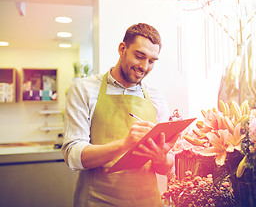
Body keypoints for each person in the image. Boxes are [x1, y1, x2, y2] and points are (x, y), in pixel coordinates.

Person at [62, 23, 177, 207]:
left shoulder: (156, 98)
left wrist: (160, 158)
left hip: (147, 202)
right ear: (122, 49)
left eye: (152, 61)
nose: (144, 67)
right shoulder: (84, 89)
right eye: (139, 56)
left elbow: (165, 166)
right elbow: (73, 156)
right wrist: (125, 144)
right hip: (97, 200)